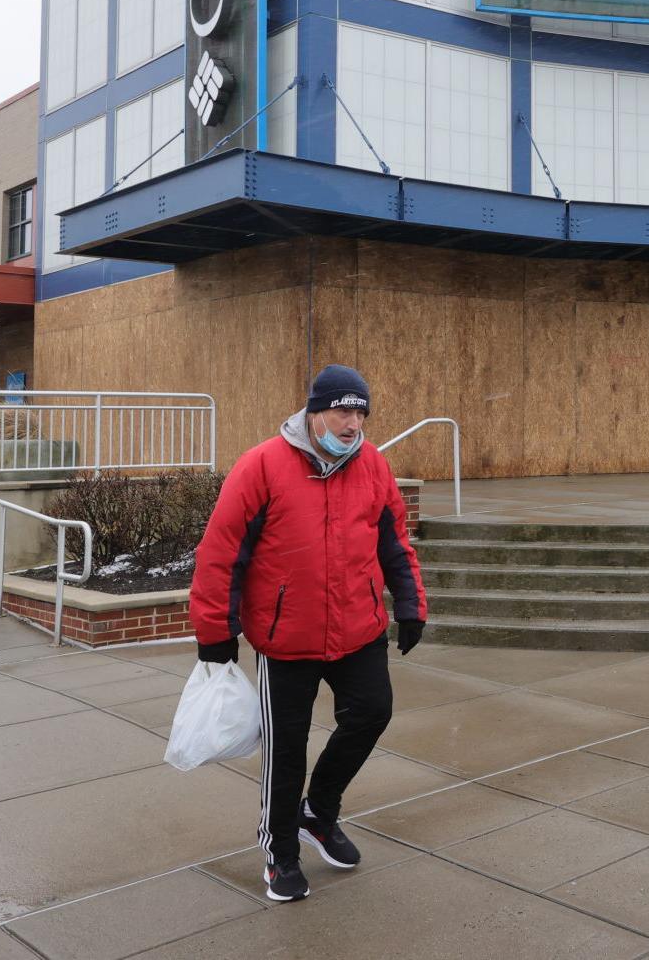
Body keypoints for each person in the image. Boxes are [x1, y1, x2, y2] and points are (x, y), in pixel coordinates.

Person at [189, 364, 427, 903]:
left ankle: (317, 813)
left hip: (358, 629)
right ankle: (279, 853)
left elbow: (395, 544)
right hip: (286, 639)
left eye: (361, 411)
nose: (352, 422)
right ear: (314, 411)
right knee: (286, 749)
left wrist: (410, 604)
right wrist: (215, 633)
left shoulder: (372, 465)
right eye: (342, 410)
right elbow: (220, 554)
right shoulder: (262, 466)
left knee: (372, 712)